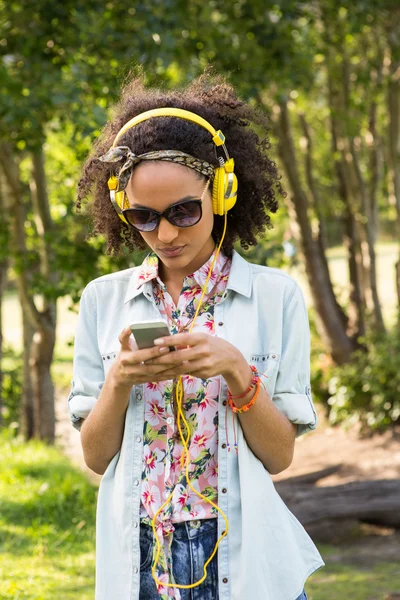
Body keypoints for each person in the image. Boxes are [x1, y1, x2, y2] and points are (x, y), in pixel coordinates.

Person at [68, 72, 324, 600]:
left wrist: (237, 370)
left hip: (247, 559)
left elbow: (279, 458)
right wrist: (118, 381)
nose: (165, 234)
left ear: (224, 191)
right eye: (143, 217)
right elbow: (96, 459)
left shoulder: (277, 298)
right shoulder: (101, 300)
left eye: (184, 211)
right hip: (139, 562)